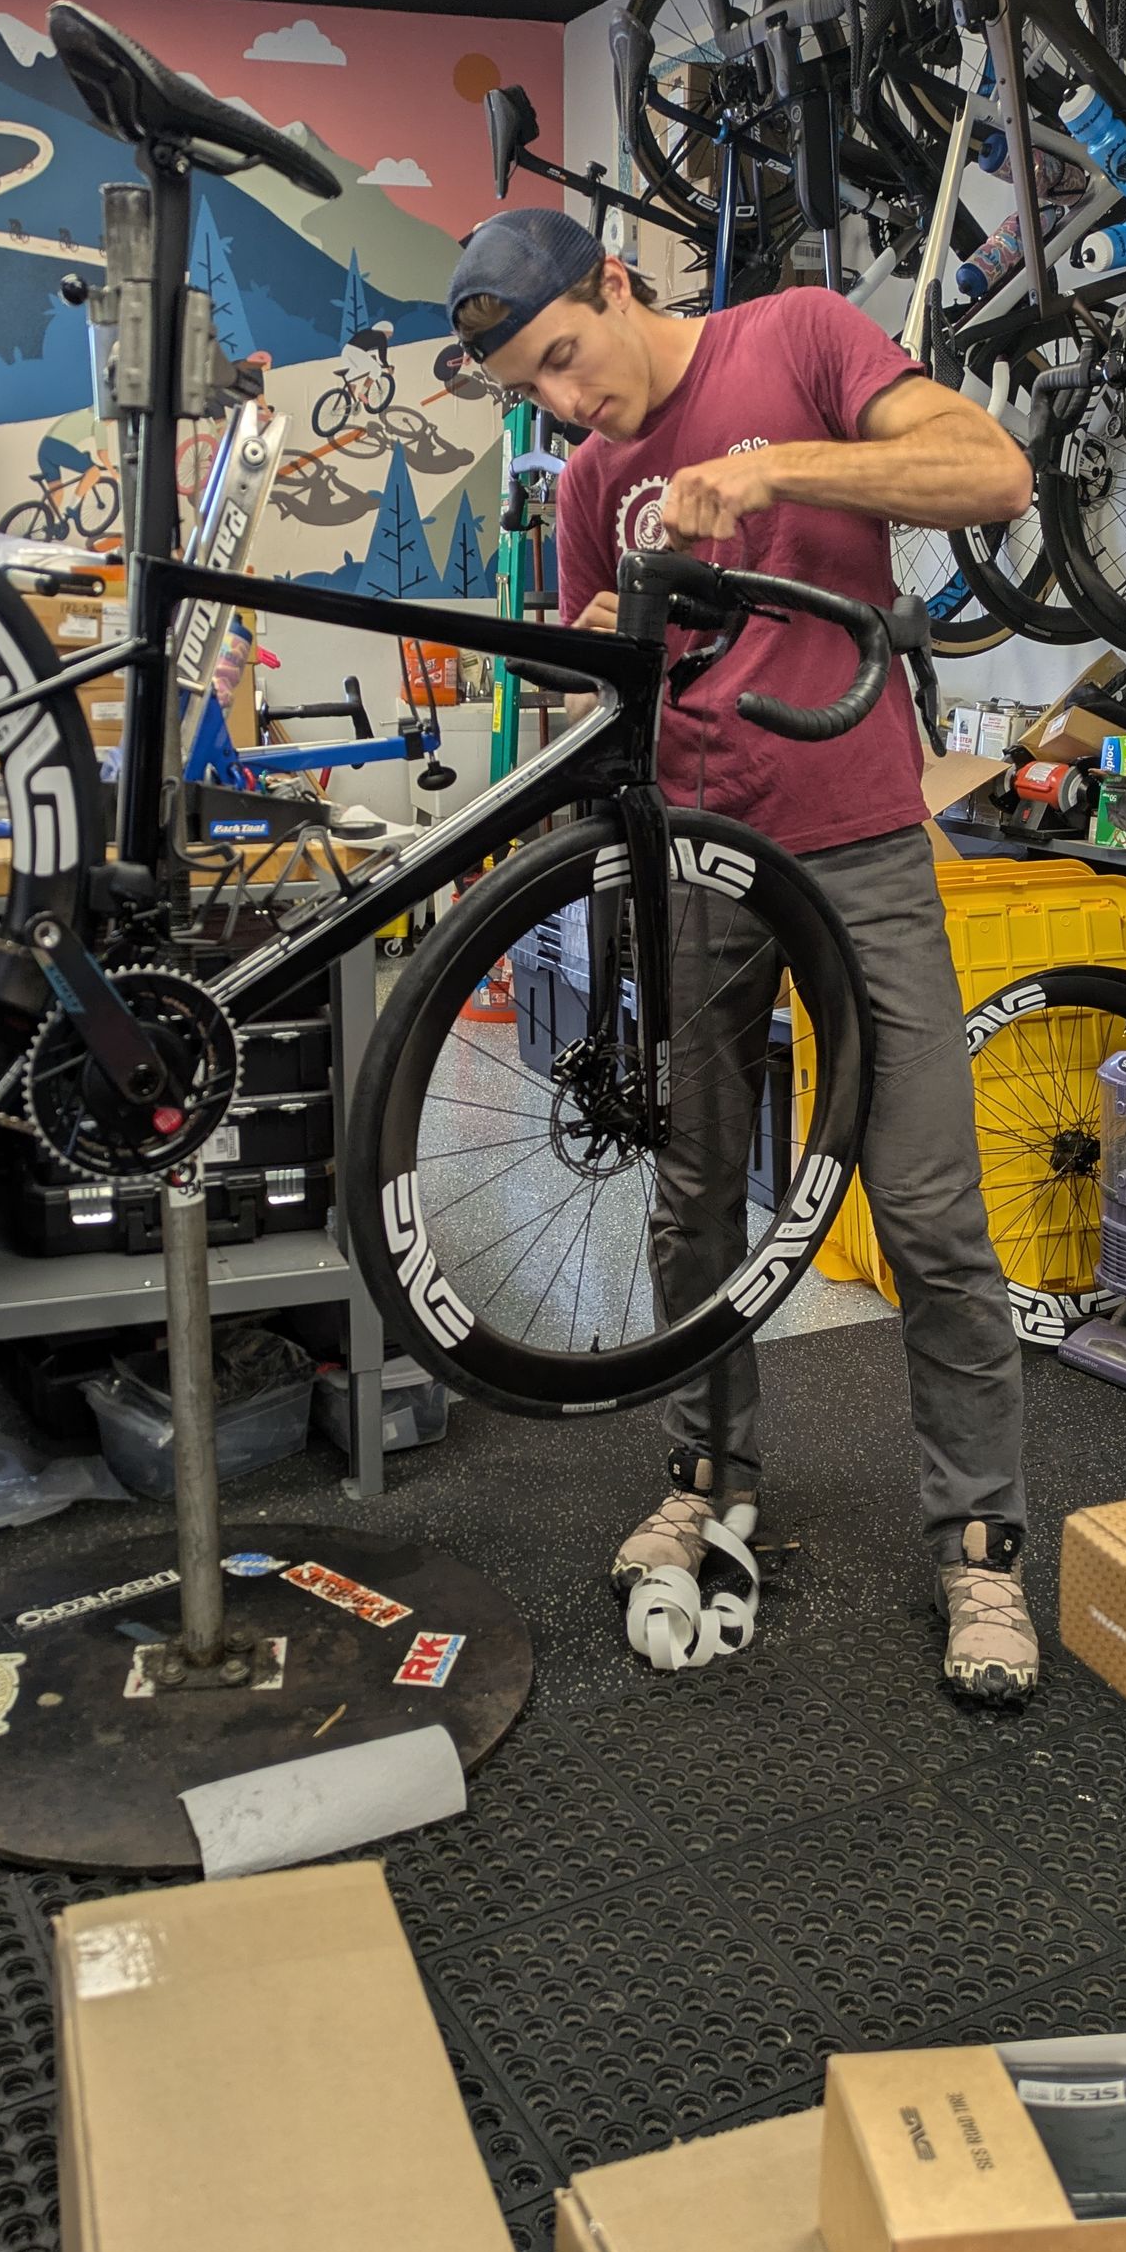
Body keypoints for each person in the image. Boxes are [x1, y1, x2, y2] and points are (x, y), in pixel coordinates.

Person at [446, 209, 1041, 1704]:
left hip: (858, 843)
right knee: (695, 1199)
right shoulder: (591, 482)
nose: (570, 405)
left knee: (926, 1206)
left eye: (568, 358)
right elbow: (612, 700)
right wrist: (587, 653)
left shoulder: (801, 338)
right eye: (536, 391)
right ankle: (707, 1478)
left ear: (619, 285)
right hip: (696, 867)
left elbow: (992, 471)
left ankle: (981, 1545)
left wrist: (774, 466)